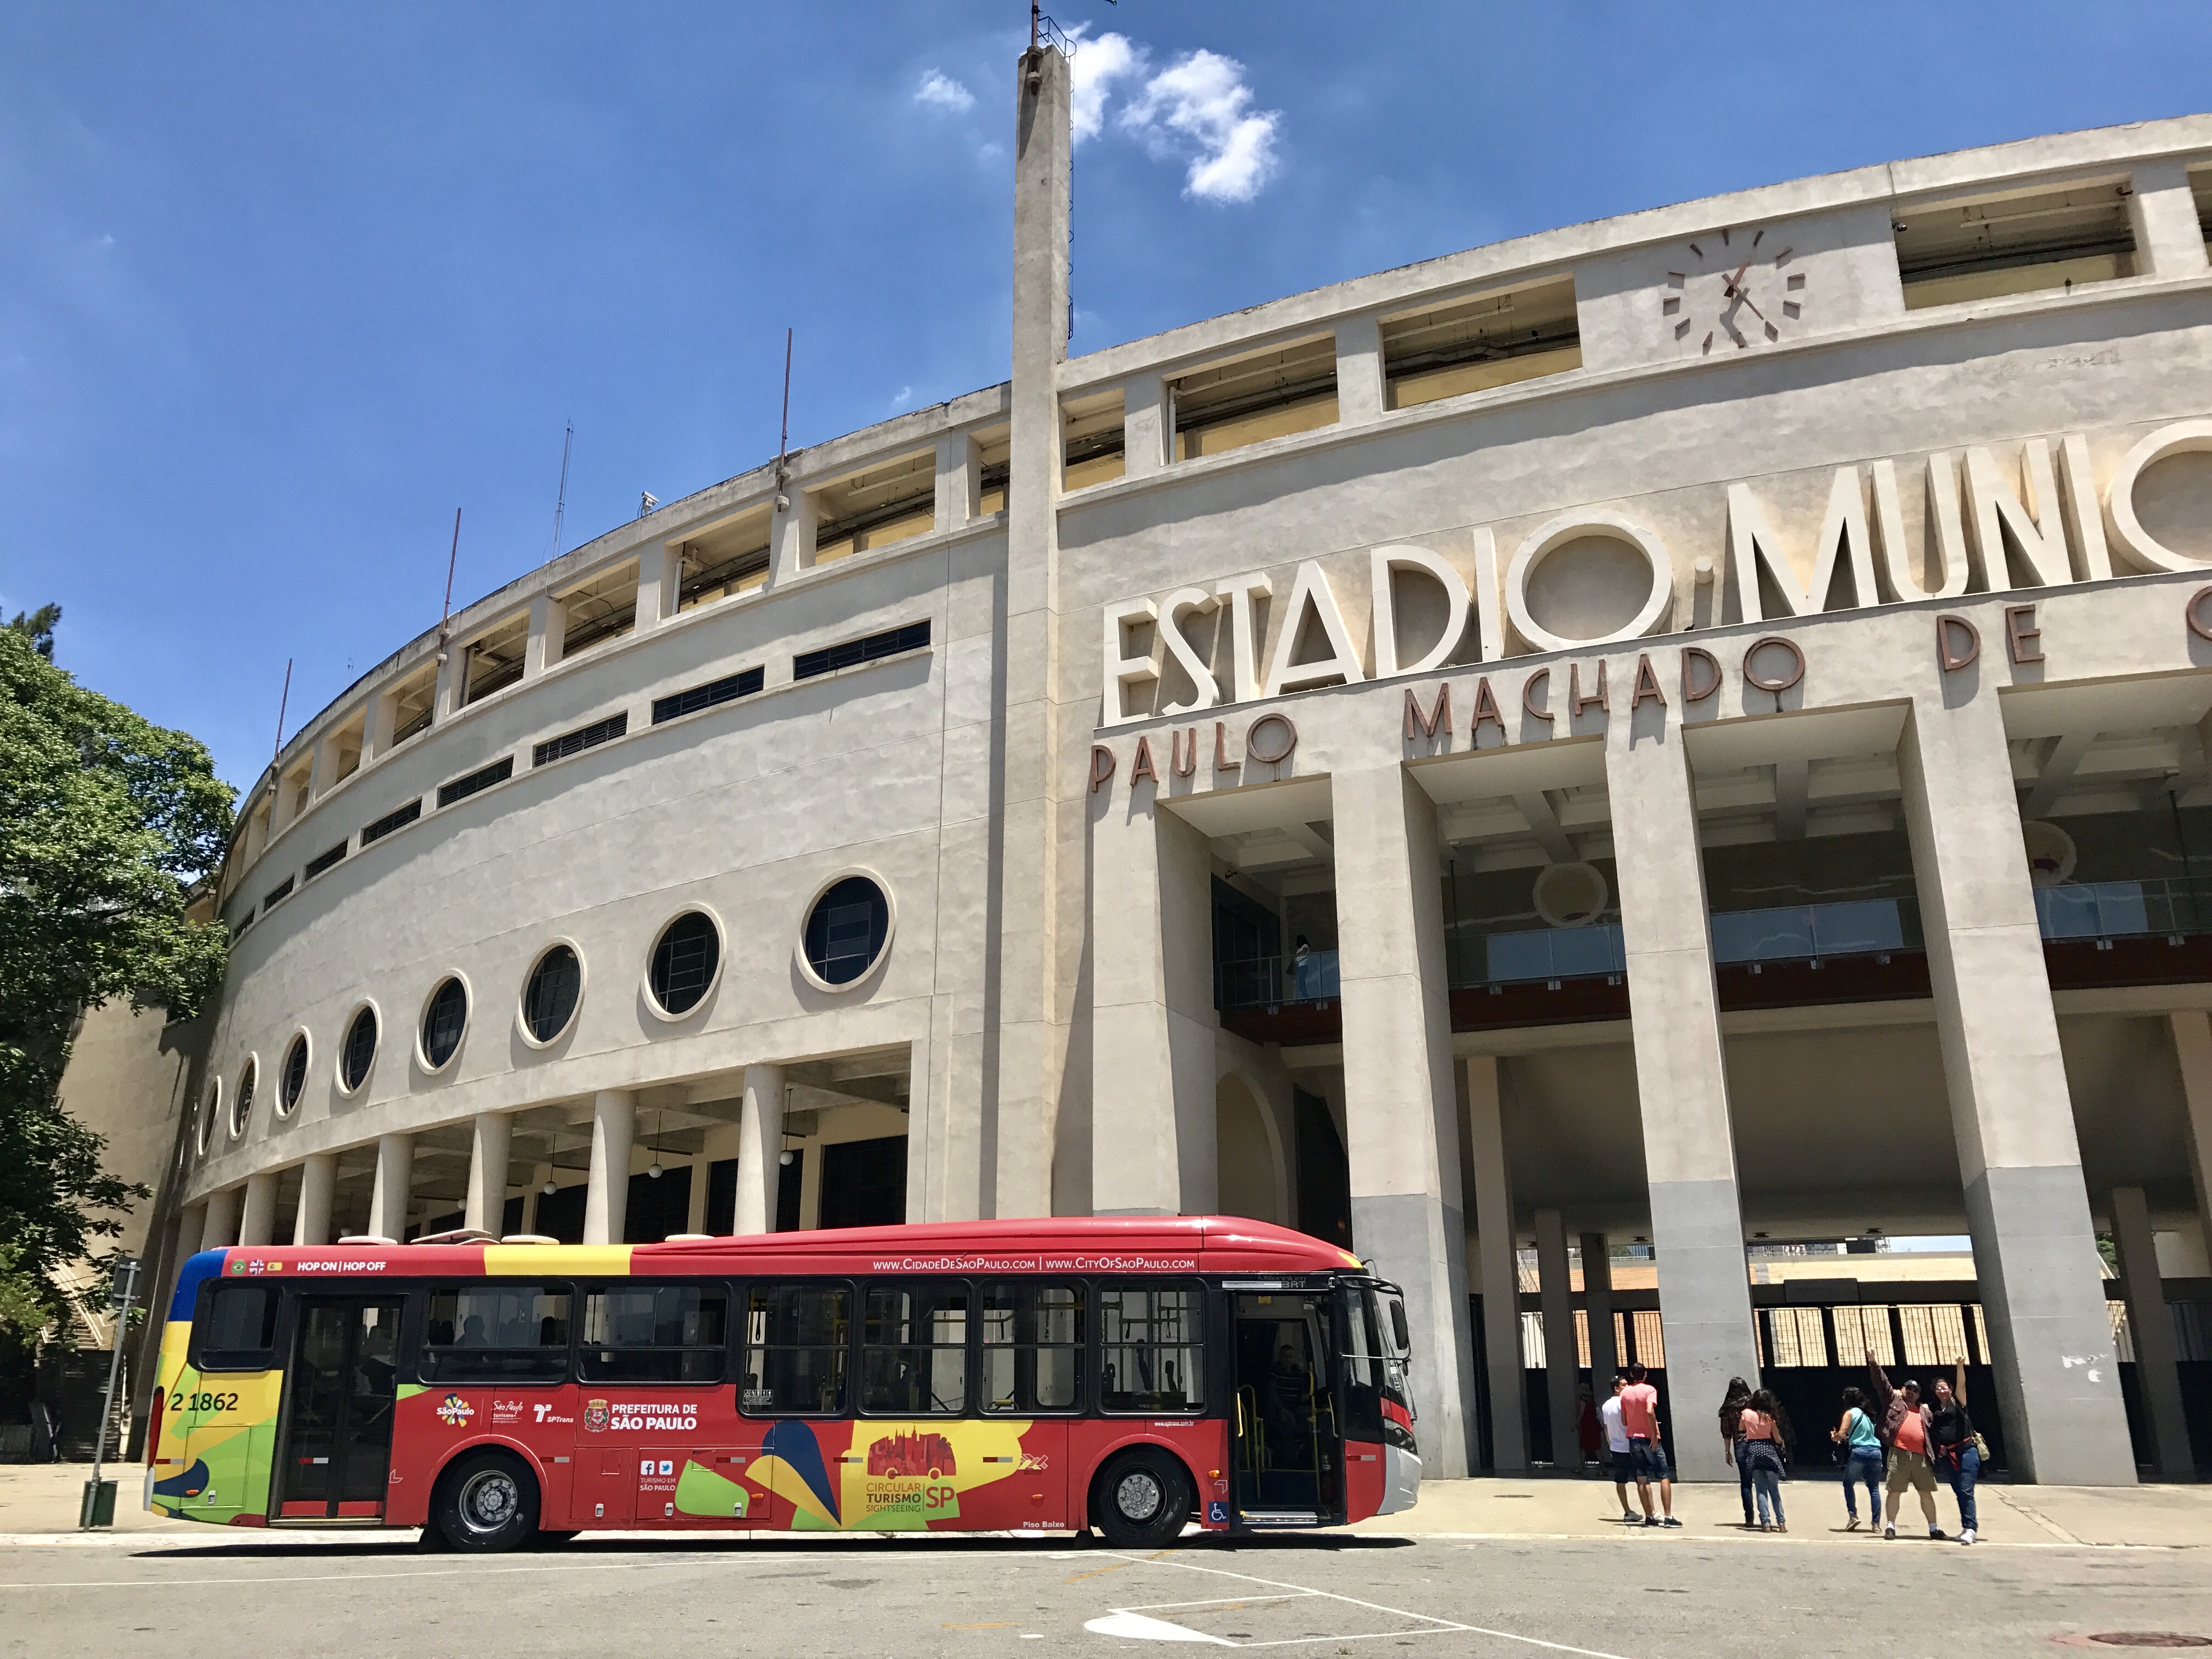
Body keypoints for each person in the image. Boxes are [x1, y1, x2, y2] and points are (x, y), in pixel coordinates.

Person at [1866, 1350, 1944, 1540]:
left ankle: (1934, 1529)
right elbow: (1881, 1383)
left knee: (1926, 1493)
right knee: (1894, 1492)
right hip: (1899, 1454)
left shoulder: (1925, 1412)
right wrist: (1873, 1362)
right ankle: (1890, 1527)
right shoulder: (1894, 1402)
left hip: (1921, 1458)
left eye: (1915, 1390)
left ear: (1919, 1395)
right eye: (1909, 1388)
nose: (1911, 1392)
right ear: (1902, 1389)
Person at [1617, 1363, 1681, 1527]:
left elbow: (1624, 1421)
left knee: (1641, 1477)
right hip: (1649, 1438)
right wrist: (1653, 1434)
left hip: (1633, 1438)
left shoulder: (1625, 1394)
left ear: (1632, 1375)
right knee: (1664, 1475)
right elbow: (1650, 1411)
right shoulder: (1650, 1390)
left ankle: (1649, 1516)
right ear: (1645, 1375)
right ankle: (1668, 1517)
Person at [1929, 1356, 1980, 1545]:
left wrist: (1960, 1367)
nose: (1942, 1390)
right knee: (1959, 1491)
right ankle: (1966, 1528)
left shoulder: (1958, 1402)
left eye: (1945, 1387)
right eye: (1938, 1388)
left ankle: (1971, 1528)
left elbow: (1962, 1386)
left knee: (1966, 1490)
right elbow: (1914, 1407)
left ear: (1950, 1389)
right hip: (1947, 1455)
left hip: (1966, 1451)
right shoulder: (1933, 1407)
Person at [1830, 1385, 1883, 1531]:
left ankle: (1853, 1515)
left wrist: (1834, 1437)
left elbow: (1842, 1435)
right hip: (1875, 1452)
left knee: (1848, 1483)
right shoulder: (1869, 1415)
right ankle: (1876, 1524)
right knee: (1874, 1488)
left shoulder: (1850, 1413)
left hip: (1859, 1451)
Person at [1739, 1387, 1789, 1532]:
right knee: (1774, 1490)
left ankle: (1766, 1523)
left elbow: (1741, 1428)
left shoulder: (1746, 1413)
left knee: (1761, 1489)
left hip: (1753, 1452)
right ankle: (1781, 1523)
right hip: (1768, 1452)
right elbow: (1777, 1439)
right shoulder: (1770, 1418)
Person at [1599, 1373, 1638, 1523]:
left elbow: (1606, 1428)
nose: (1628, 1387)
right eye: (1624, 1385)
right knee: (1642, 1479)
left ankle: (1627, 1511)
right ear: (1617, 1388)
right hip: (1630, 1446)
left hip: (1616, 1448)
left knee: (1620, 1480)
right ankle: (1650, 1512)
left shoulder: (1606, 1405)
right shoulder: (1625, 1402)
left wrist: (1611, 1444)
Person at [1718, 1376, 1753, 1527]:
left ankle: (1749, 1518)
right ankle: (1766, 1517)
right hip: (1755, 1443)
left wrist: (1727, 1451)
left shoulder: (1728, 1409)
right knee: (1762, 1481)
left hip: (1739, 1445)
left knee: (1745, 1483)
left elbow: (1727, 1433)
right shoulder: (1752, 1403)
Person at [1576, 1383, 1602, 1474]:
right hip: (1594, 1425)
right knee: (1597, 1448)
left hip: (1587, 1426)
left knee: (1583, 1448)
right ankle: (1603, 1468)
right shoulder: (1592, 1401)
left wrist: (1576, 1425)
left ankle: (1581, 1468)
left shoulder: (1583, 1402)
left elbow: (1581, 1414)